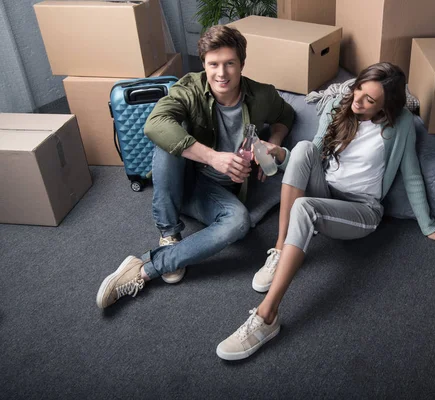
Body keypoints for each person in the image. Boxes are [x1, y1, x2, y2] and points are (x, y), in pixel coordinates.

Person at [215, 62, 435, 360]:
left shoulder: (402, 124)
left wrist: (428, 225)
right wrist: (280, 156)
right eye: (358, 88)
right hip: (326, 192)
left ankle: (267, 317)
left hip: (362, 210)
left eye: (369, 100)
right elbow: (313, 154)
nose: (357, 99)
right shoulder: (339, 104)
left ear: (387, 106)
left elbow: (411, 174)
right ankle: (279, 250)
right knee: (305, 147)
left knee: (304, 208)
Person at [96, 25, 294, 309]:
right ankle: (168, 233)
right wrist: (214, 157)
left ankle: (144, 269)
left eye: (229, 64)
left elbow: (285, 115)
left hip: (213, 193)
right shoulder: (188, 88)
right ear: (203, 65)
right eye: (213, 64)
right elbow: (154, 124)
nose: (221, 73)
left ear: (242, 64)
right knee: (170, 136)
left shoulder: (261, 95)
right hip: (179, 177)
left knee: (240, 222)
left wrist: (270, 148)